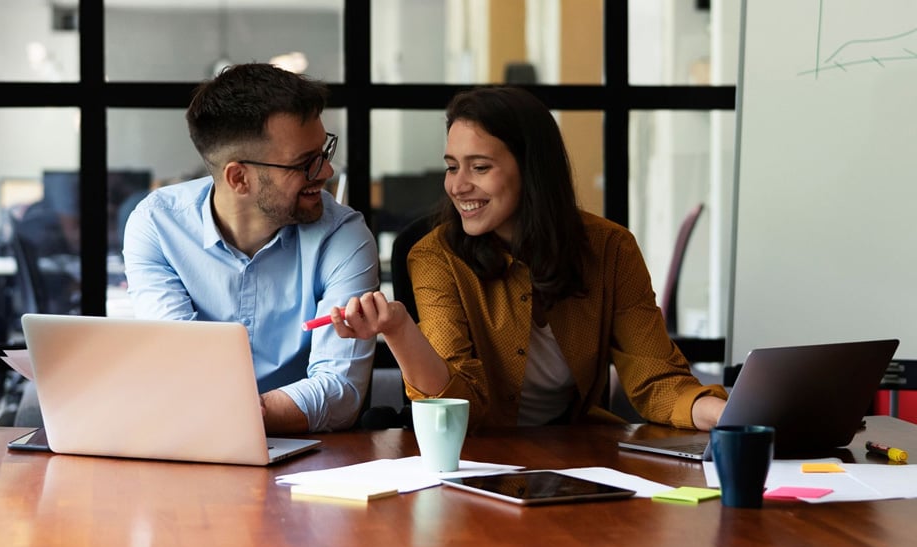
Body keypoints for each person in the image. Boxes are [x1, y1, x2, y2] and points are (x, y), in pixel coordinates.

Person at [330, 86, 727, 431]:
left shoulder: (610, 248)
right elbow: (457, 405)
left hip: (580, 458)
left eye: (480, 167)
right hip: (478, 459)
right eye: (452, 167)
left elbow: (655, 378)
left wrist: (728, 415)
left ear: (532, 170)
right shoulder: (435, 256)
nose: (458, 185)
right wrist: (398, 328)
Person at [120, 63, 380, 433]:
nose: (326, 172)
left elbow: (340, 392)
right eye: (305, 163)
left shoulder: (343, 236)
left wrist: (242, 413)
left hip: (305, 457)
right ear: (239, 178)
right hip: (189, 445)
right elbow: (178, 365)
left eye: (323, 152)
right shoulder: (158, 225)